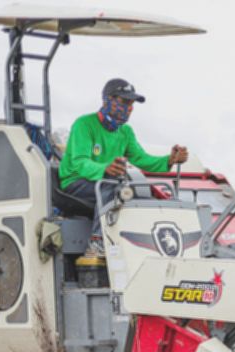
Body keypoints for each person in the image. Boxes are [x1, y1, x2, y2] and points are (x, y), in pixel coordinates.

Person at [58, 78, 189, 254]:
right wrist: (104, 169)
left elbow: (142, 159)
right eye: (124, 101)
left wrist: (169, 160)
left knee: (141, 197)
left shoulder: (125, 132)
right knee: (113, 190)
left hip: (107, 183)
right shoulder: (84, 124)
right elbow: (80, 163)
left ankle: (144, 248)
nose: (128, 108)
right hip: (75, 182)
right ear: (107, 100)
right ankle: (97, 243)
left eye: (131, 104)